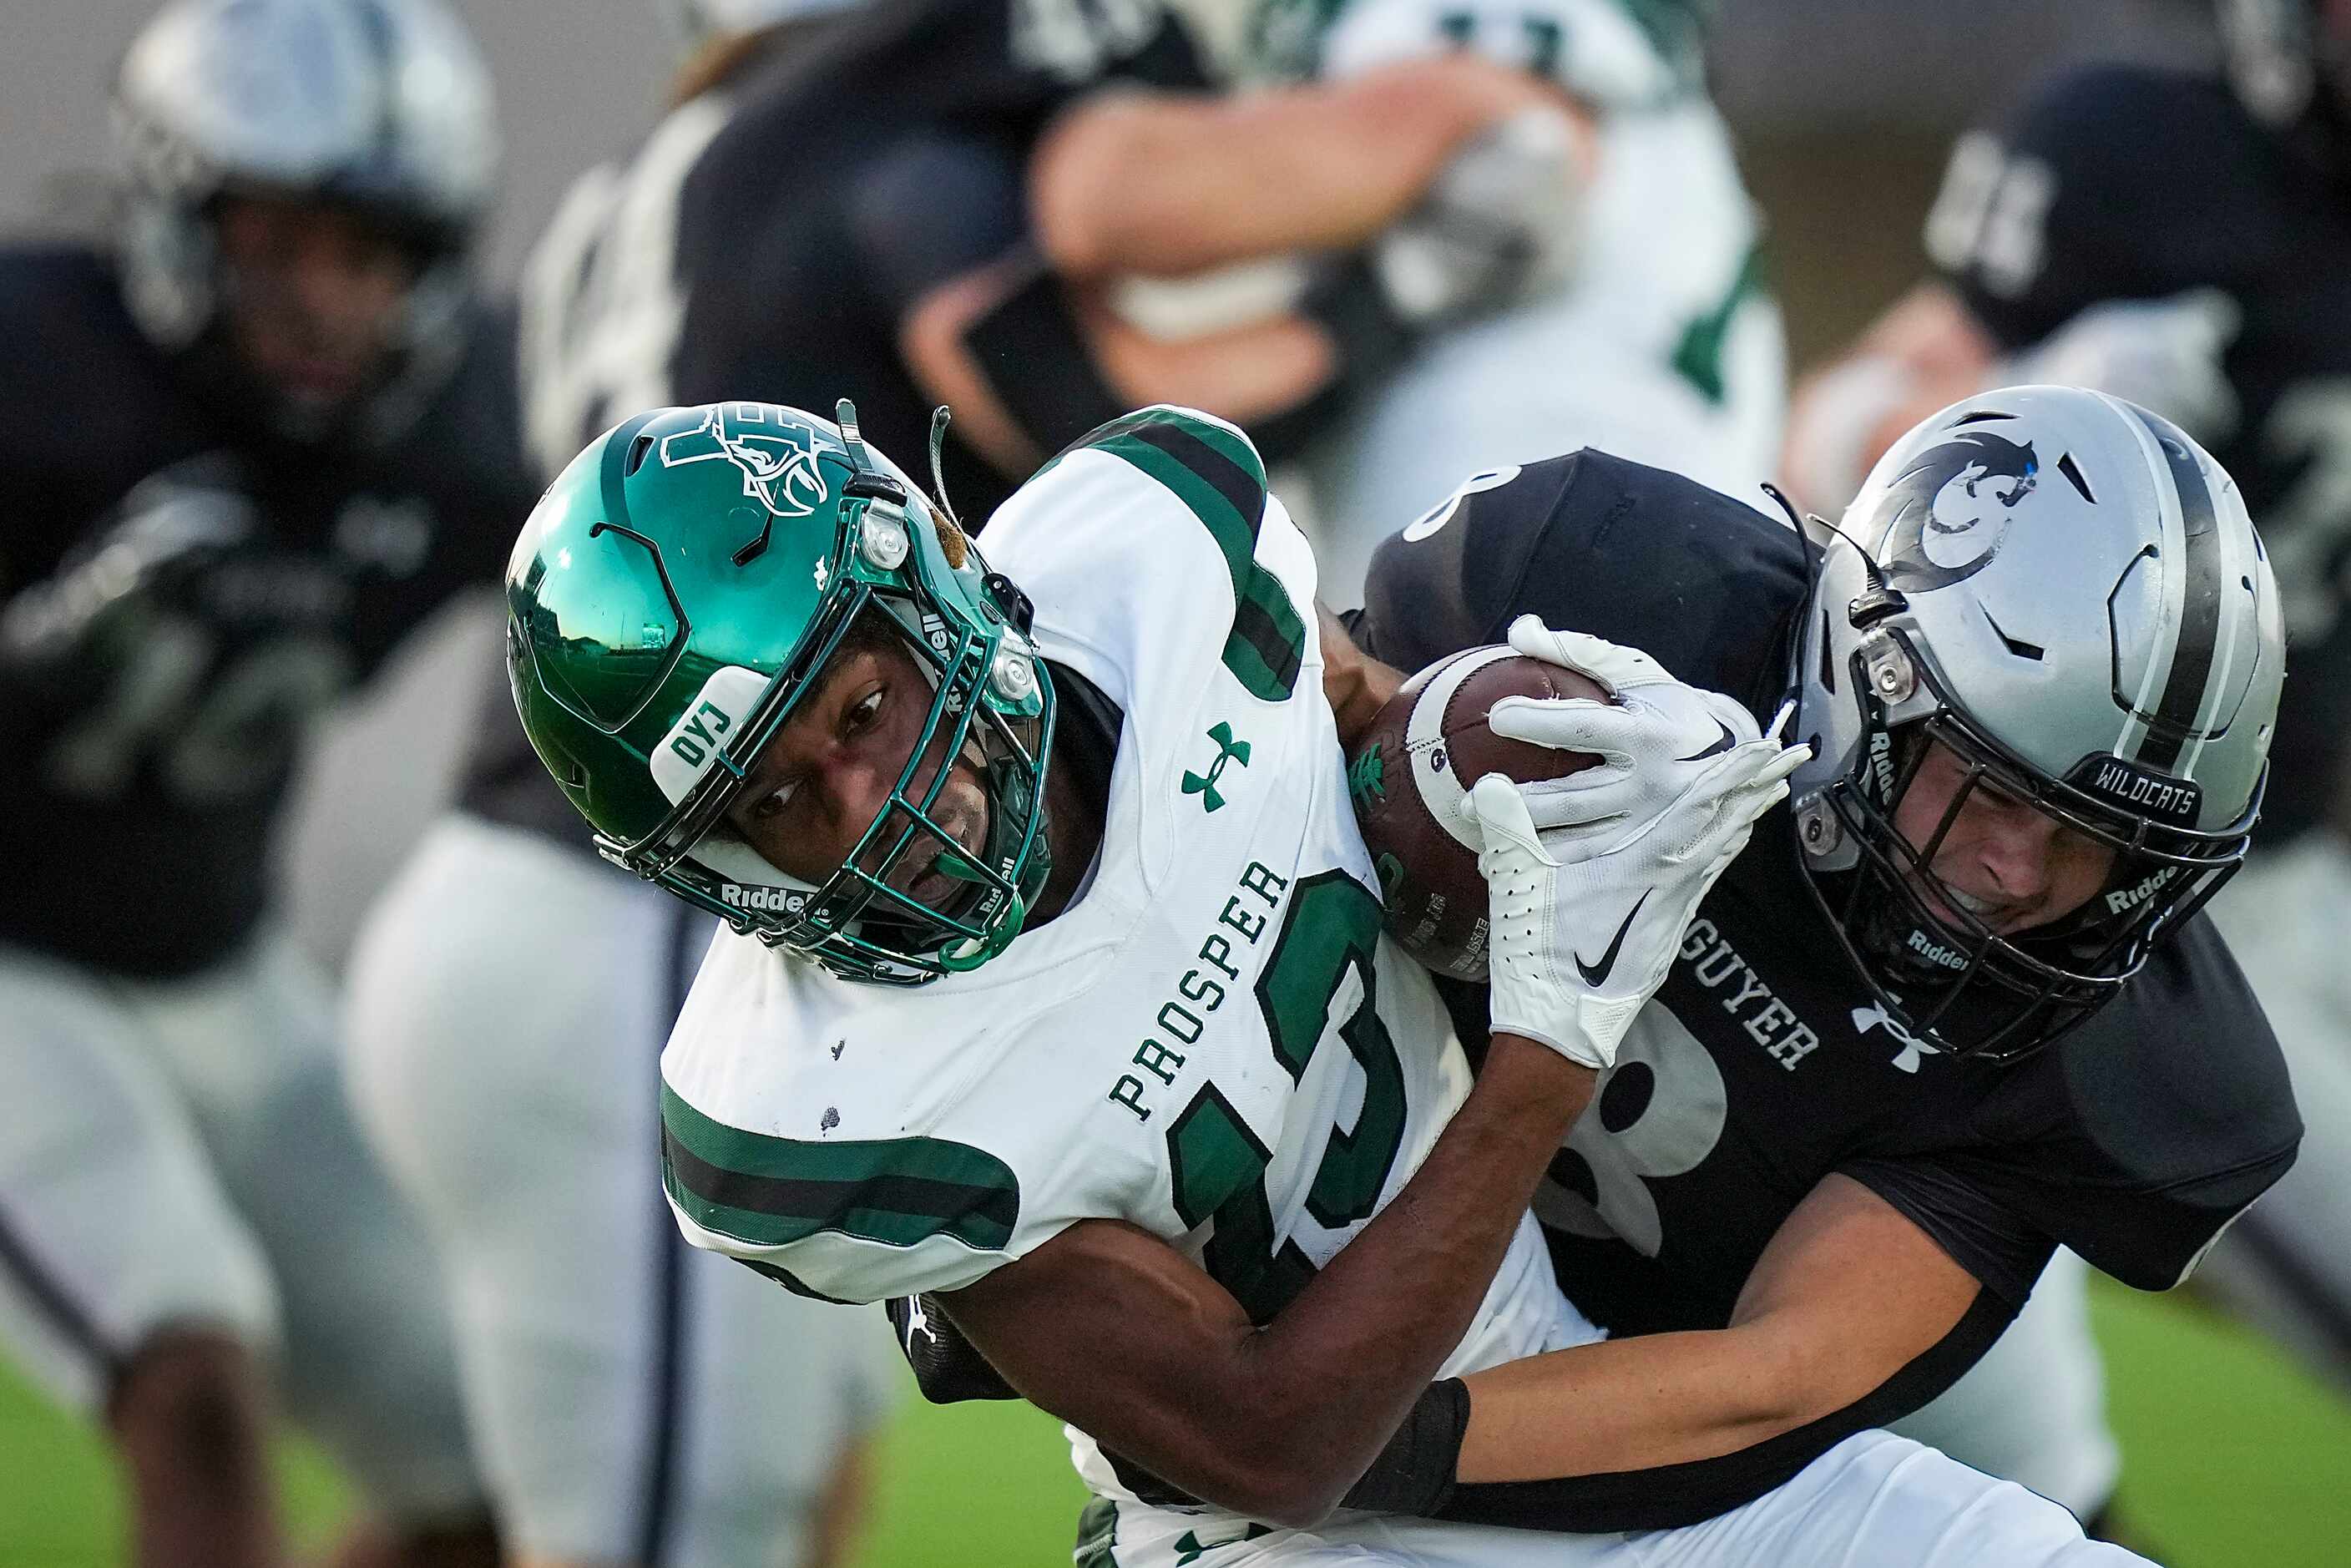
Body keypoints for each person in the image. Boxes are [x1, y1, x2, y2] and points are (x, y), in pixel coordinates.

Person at [506, 393, 2169, 1565]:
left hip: (1559, 1395)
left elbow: (1374, 732)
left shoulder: (1154, 556)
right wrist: (1544, 1048)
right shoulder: (827, 1109)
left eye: (861, 717)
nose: (870, 821)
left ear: (940, 577)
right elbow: (1278, 1446)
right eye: (778, 807)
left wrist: (1541, 764)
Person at [1782, 0, 2351, 1513]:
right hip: (2126, 890)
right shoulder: (2138, 155)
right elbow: (1828, 458)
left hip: (2298, 861)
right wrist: (2027, 392)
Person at [0, 1, 529, 1565]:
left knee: (485, 1481)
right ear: (176, 205)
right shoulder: (35, 370)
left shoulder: (453, 429)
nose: (325, 300)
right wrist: (43, 649)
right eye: (282, 244)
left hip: (225, 968)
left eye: (371, 254)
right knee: (191, 1376)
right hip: (9, 966)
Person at [1246, 0, 1787, 601]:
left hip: (1515, 597)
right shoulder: (1672, 149)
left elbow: (1494, 136)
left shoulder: (1478, 72)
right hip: (1689, 605)